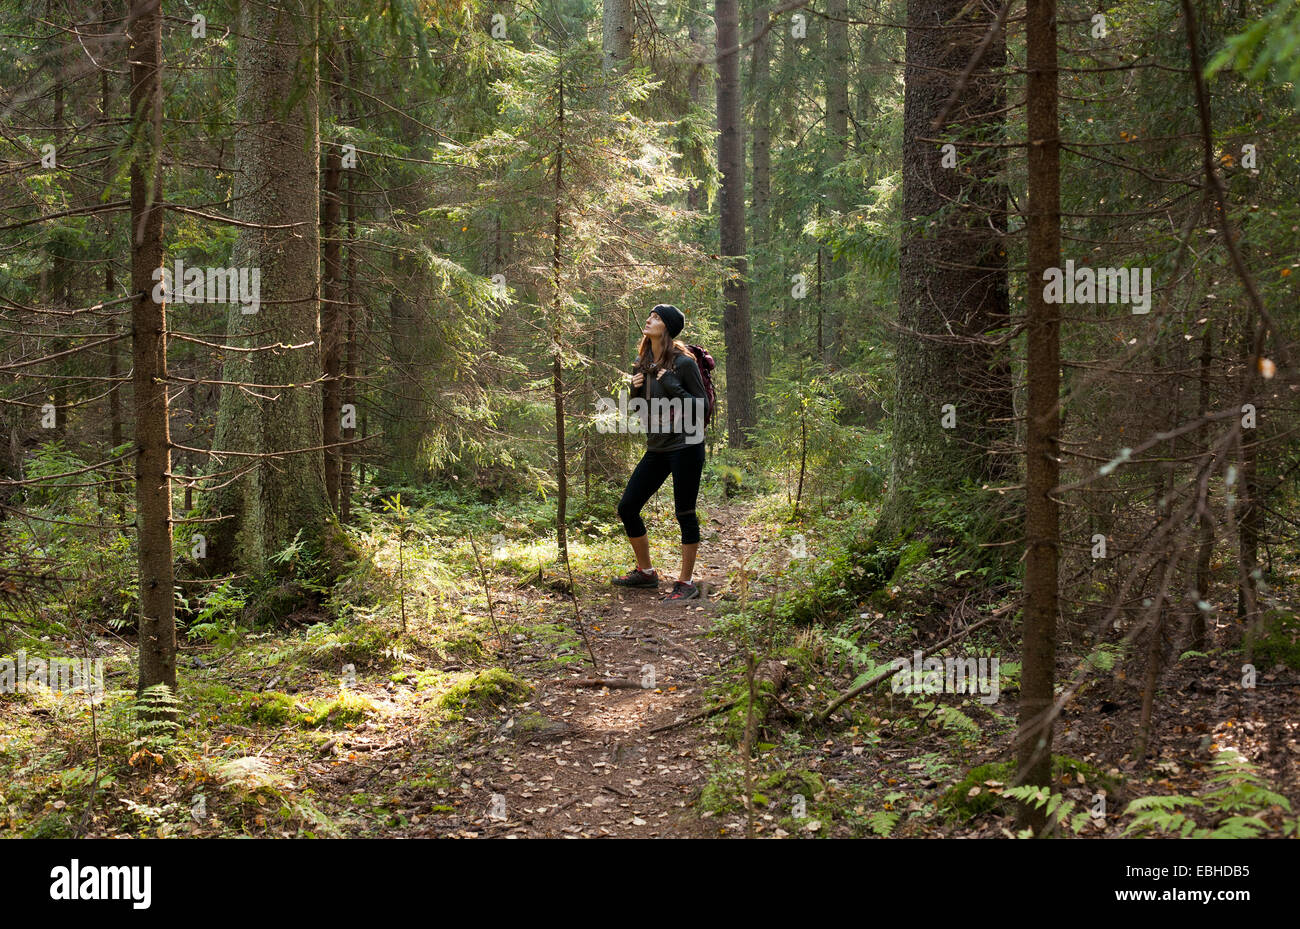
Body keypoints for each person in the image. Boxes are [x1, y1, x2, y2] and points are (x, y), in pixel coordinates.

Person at [612, 304, 708, 601]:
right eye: (650, 315)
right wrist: (635, 390)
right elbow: (638, 410)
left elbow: (702, 406)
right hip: (657, 447)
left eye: (655, 317)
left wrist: (671, 384)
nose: (649, 319)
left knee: (685, 512)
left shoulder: (684, 363)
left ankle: (686, 582)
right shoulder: (642, 361)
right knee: (628, 507)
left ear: (665, 327)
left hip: (687, 445)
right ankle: (646, 573)